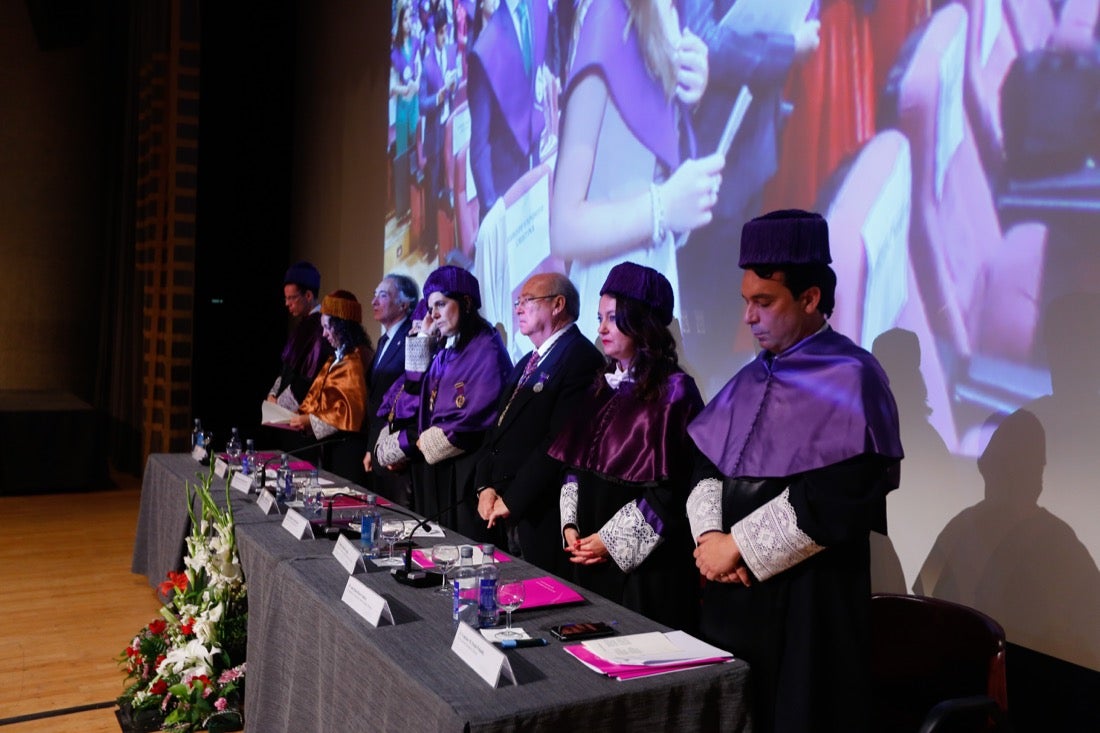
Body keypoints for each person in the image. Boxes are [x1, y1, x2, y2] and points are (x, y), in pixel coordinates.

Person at [685, 210, 904, 733]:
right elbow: (705, 463)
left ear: (809, 299)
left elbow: (840, 497)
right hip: (731, 598)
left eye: (765, 303)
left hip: (808, 607)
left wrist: (736, 548)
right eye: (746, 303)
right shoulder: (749, 377)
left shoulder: (854, 377)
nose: (749, 318)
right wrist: (710, 537)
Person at [549, 0, 723, 344]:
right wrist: (663, 208)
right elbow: (564, 229)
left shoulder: (672, 14)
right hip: (610, 299)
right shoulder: (607, 19)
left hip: (656, 279)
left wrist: (693, 94)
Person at [548, 262, 704, 631]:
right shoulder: (601, 384)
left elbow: (674, 490)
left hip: (645, 572)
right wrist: (570, 525)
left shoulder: (676, 391)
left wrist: (608, 542)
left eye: (612, 318)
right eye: (599, 317)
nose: (600, 328)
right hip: (586, 554)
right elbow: (574, 465)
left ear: (643, 322)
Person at [677, 0, 820, 396]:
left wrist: (798, 36)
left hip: (752, 152)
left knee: (727, 306)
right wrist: (787, 48)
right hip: (698, 161)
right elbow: (701, 36)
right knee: (692, 324)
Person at [474, 272, 604, 573]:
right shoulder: (526, 361)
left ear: (558, 304)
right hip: (502, 508)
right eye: (517, 302)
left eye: (527, 301)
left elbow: (559, 441)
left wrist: (513, 499)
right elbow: (496, 430)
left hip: (540, 514)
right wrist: (484, 486)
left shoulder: (581, 358)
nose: (518, 308)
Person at [374, 266, 511, 532]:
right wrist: (423, 339)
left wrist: (412, 442)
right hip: (433, 469)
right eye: (430, 307)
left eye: (441, 304)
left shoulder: (486, 348)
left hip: (464, 472)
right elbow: (413, 394)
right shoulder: (447, 346)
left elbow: (471, 420)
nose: (434, 314)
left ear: (466, 302)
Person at [467, 0, 549, 219]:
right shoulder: (485, 49)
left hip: (533, 159)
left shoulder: (538, 8)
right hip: (503, 183)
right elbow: (479, 147)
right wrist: (493, 208)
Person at [288, 290, 374, 484]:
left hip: (348, 450)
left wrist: (311, 421)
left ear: (342, 326)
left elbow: (349, 411)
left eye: (328, 327)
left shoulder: (356, 359)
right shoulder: (336, 357)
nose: (324, 334)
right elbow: (315, 396)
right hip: (330, 446)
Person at [364, 274, 420, 504]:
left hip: (397, 456)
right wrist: (371, 448)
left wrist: (399, 451)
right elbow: (377, 401)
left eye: (383, 295)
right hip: (379, 448)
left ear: (404, 304)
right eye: (375, 295)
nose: (374, 301)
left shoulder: (413, 338)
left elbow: (412, 396)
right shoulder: (383, 341)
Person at [419, 10, 461, 258]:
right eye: (442, 33)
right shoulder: (426, 65)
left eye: (448, 32)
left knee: (451, 188)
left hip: (451, 132)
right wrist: (440, 96)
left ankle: (450, 242)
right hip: (435, 136)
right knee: (433, 191)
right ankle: (431, 242)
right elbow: (422, 104)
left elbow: (457, 79)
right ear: (435, 35)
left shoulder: (453, 52)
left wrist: (453, 88)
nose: (446, 37)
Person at [267, 261, 331, 409]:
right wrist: (273, 394)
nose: (287, 303)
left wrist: (279, 406)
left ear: (308, 295)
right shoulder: (301, 326)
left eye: (291, 298)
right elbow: (286, 368)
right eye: (286, 298)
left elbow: (308, 379)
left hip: (298, 414)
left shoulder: (320, 328)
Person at [391, 1, 422, 223]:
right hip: (402, 109)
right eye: (405, 19)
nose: (409, 23)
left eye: (411, 18)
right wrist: (406, 89)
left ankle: (414, 205)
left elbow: (419, 70)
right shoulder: (394, 53)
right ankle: (401, 209)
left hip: (415, 107)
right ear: (399, 21)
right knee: (402, 158)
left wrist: (417, 83)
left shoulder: (417, 43)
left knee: (415, 154)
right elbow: (392, 88)